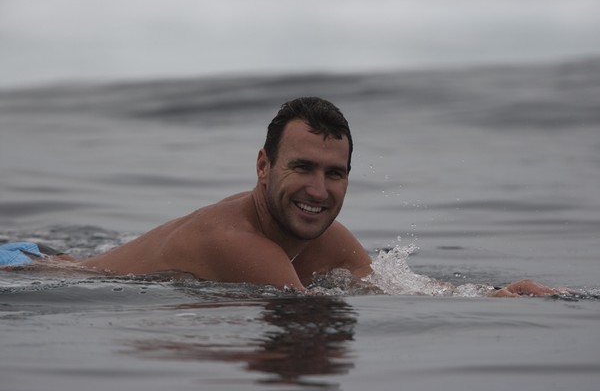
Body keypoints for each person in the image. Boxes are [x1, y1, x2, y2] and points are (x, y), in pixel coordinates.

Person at [2, 97, 558, 297]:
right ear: (263, 166)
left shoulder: (325, 239)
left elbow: (394, 289)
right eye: (302, 167)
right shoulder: (239, 244)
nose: (319, 191)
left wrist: (492, 294)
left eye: (334, 174)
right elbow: (307, 309)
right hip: (34, 269)